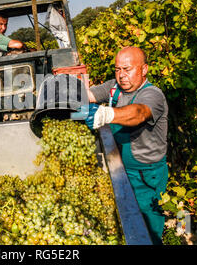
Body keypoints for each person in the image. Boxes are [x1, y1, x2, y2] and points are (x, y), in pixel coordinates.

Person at [72, 46, 169, 245]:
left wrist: (106, 114)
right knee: (126, 221)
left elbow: (139, 113)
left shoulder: (153, 95)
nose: (121, 75)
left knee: (146, 228)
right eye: (117, 69)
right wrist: (63, 97)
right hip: (121, 167)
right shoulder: (114, 86)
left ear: (143, 70)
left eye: (127, 69)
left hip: (145, 174)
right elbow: (87, 95)